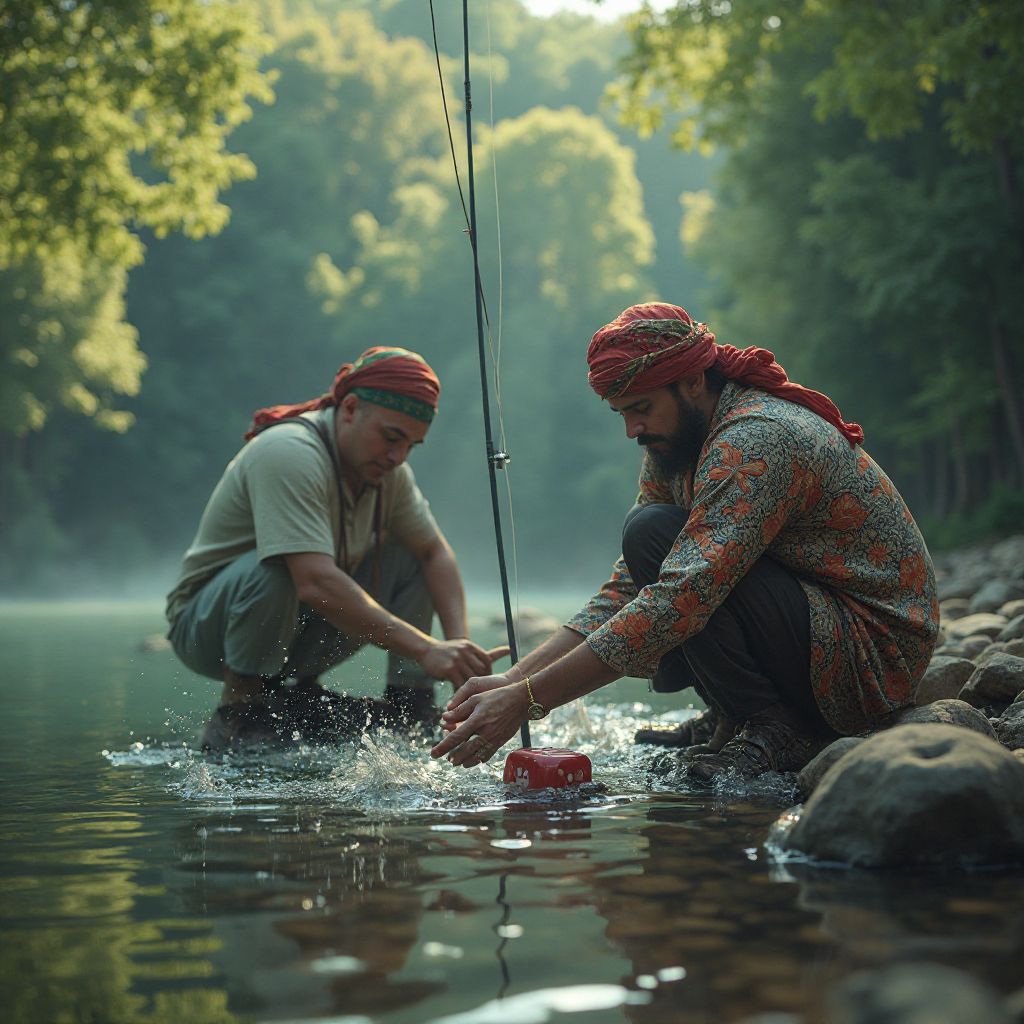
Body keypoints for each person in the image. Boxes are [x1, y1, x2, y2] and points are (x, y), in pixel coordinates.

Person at [431, 303, 938, 782]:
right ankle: (734, 714)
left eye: (641, 408)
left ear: (694, 381)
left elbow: (680, 597)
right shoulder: (676, 440)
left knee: (654, 537)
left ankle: (778, 727)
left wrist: (528, 701)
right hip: (815, 620)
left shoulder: (756, 439)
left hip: (873, 655)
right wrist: (513, 681)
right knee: (650, 538)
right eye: (622, 413)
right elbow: (629, 586)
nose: (632, 429)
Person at [166, 345, 504, 751]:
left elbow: (434, 553)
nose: (398, 457)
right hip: (208, 631)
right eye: (391, 437)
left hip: (298, 632)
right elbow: (312, 582)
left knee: (410, 556)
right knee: (279, 568)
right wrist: (427, 648)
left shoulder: (388, 472)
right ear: (349, 409)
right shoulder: (289, 452)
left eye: (411, 446)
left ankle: (410, 705)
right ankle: (241, 708)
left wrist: (458, 654)